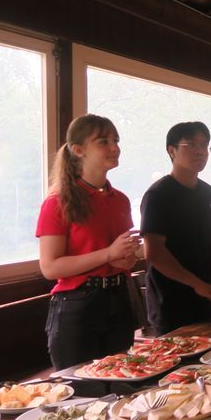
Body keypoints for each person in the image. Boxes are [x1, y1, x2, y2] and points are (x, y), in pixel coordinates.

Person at [36, 114, 140, 370]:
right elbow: (50, 268)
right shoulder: (57, 202)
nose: (115, 148)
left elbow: (121, 256)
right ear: (78, 149)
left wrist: (129, 256)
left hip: (119, 297)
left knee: (121, 384)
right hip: (77, 306)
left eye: (116, 140)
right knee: (81, 394)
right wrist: (108, 254)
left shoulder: (120, 200)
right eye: (103, 141)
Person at [140, 121, 211, 335]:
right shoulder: (158, 195)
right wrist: (196, 284)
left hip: (206, 296)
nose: (200, 151)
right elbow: (154, 252)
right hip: (170, 300)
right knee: (177, 364)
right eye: (191, 144)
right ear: (171, 151)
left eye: (204, 145)